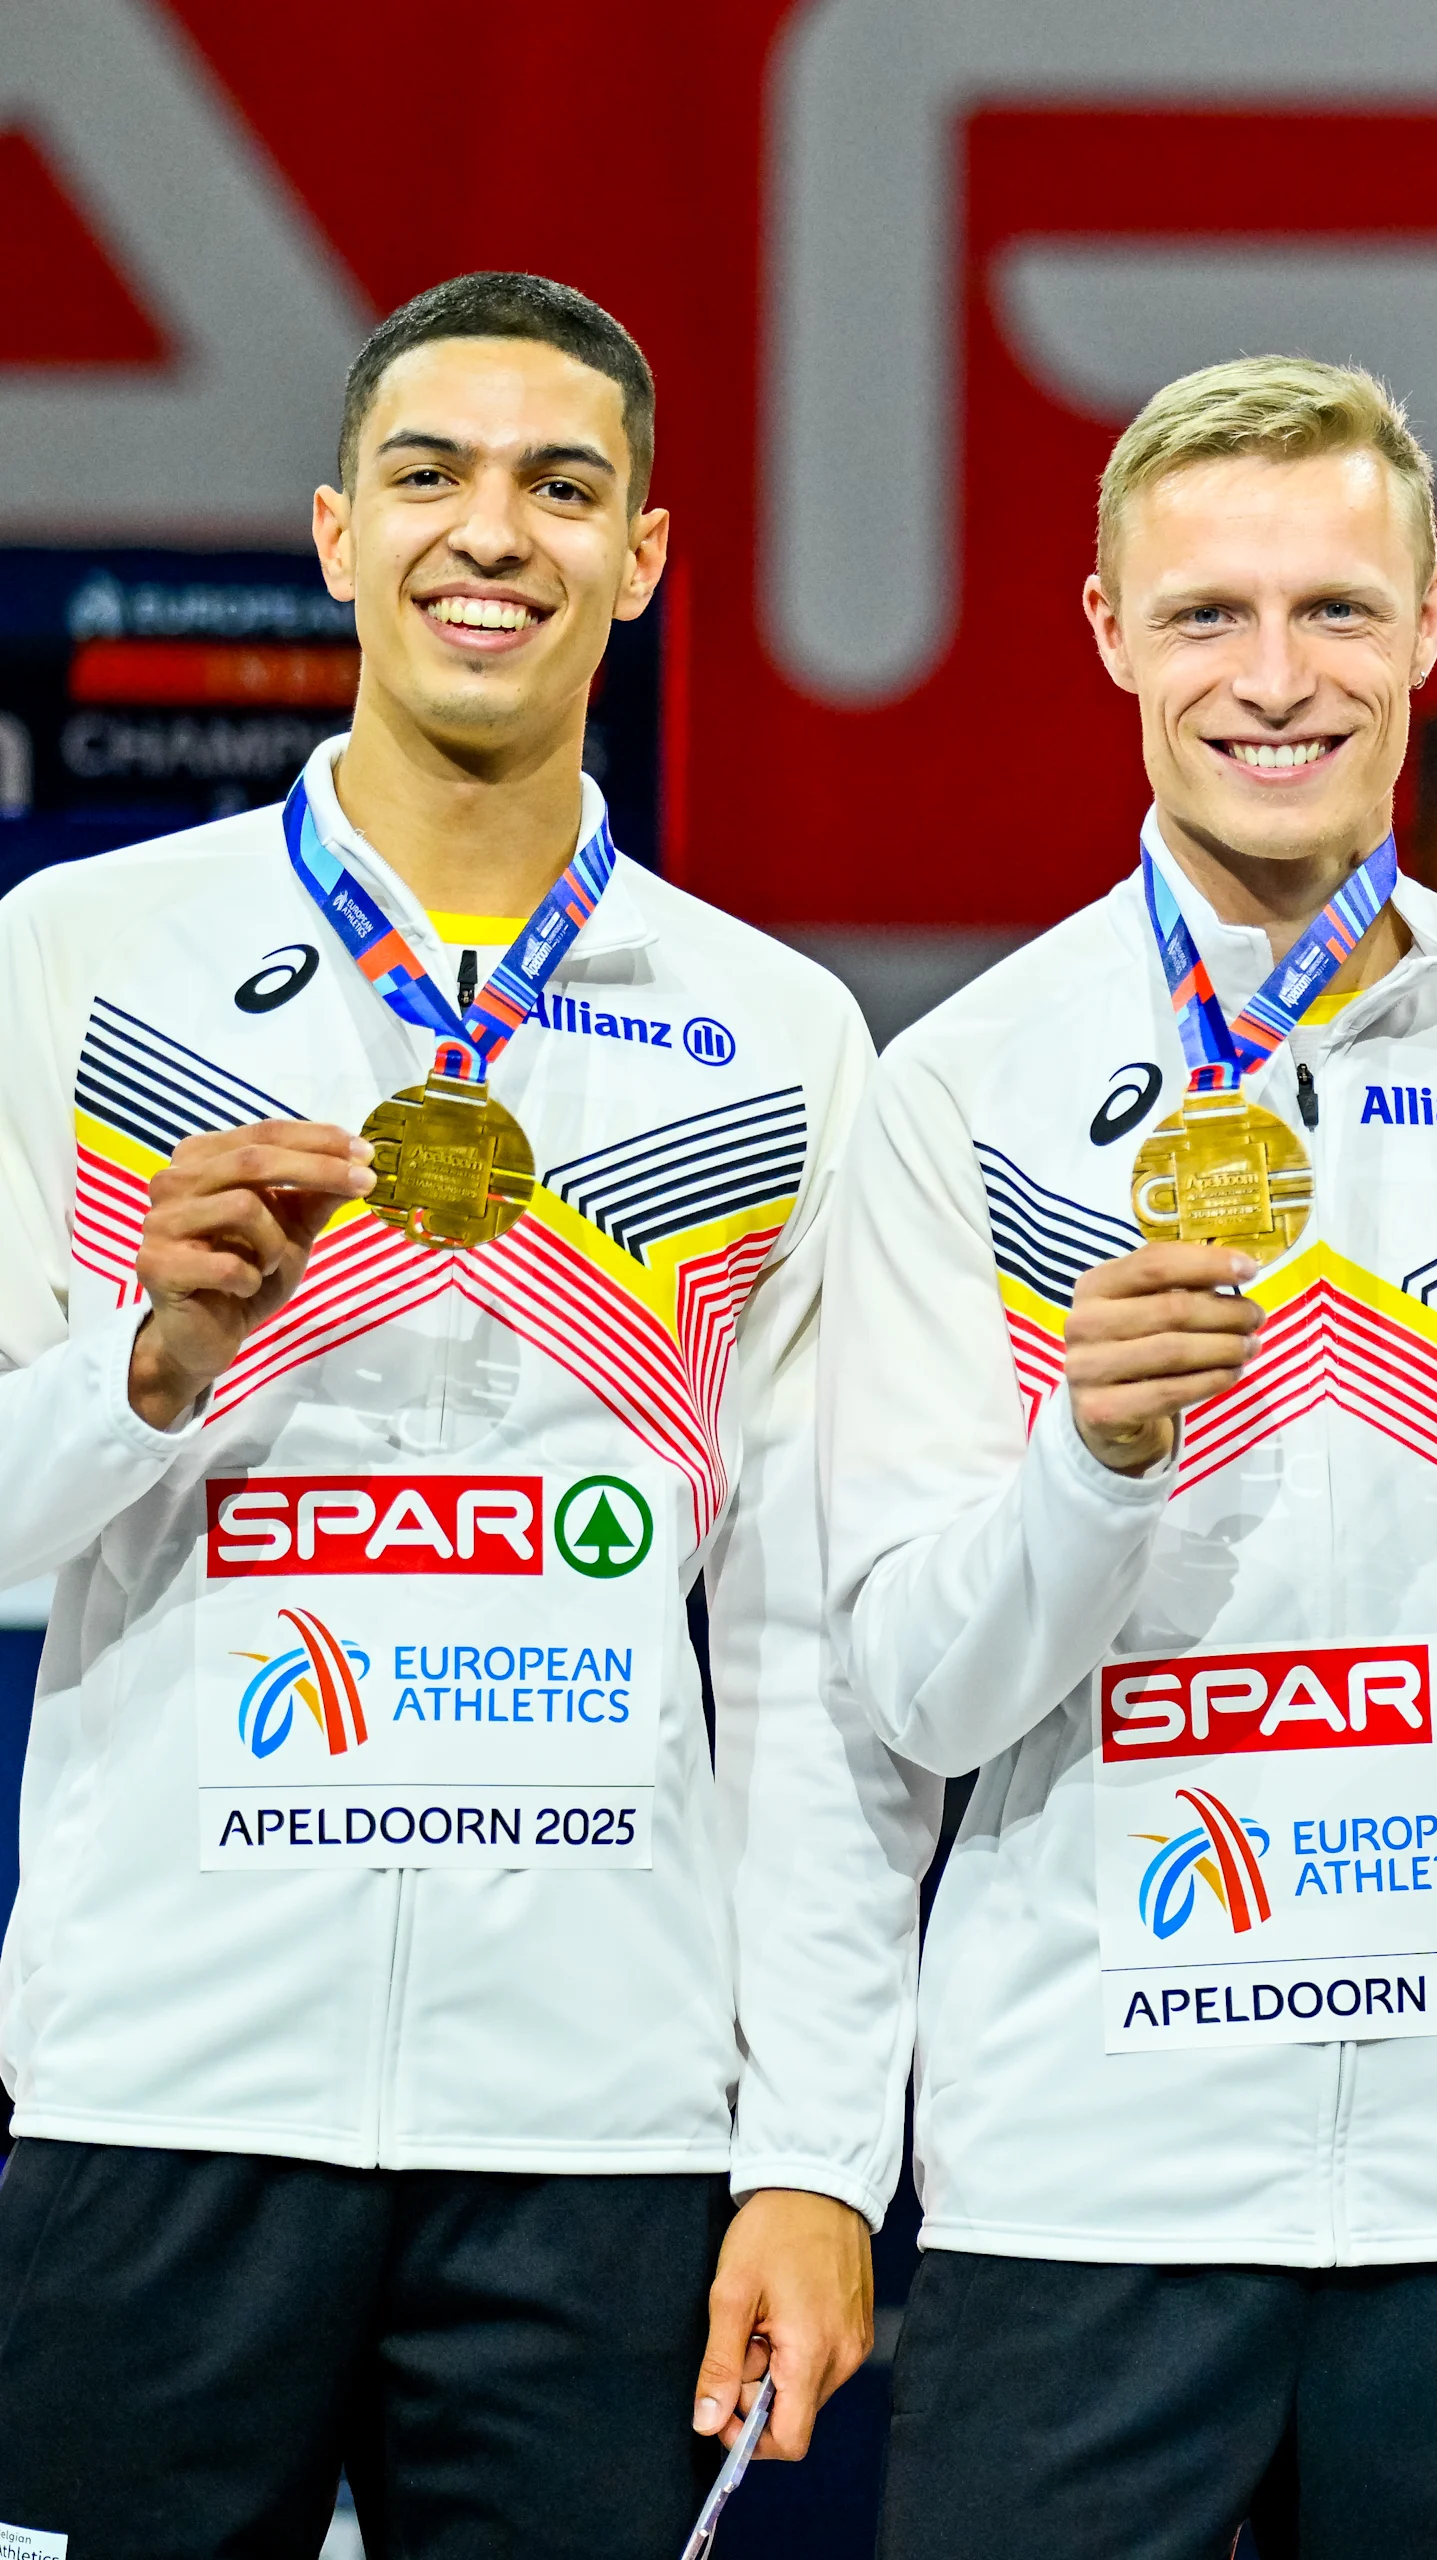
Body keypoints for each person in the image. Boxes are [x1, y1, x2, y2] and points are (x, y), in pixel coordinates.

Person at [823, 354, 1437, 2560]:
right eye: (1205, 617)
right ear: (1105, 631)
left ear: (1436, 616)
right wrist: (1087, 1456)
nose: (1274, 680)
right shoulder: (962, 1093)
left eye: (1334, 611)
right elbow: (905, 1688)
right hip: (1088, 2183)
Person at [0, 273, 920, 2554]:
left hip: (595, 2132)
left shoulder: (783, 1039)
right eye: (427, 474)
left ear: (646, 556)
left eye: (559, 483)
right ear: (332, 532)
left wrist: (809, 2149)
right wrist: (146, 1367)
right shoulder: (78, 969)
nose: (486, 531)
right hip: (164, 2093)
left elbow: (810, 1667)